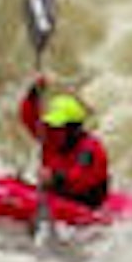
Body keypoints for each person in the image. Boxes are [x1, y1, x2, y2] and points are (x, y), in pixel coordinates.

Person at [20, 76, 110, 208]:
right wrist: (33, 95)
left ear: (72, 128)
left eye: (58, 127)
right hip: (57, 193)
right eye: (51, 125)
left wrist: (55, 178)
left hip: (84, 201)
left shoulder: (89, 149)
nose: (53, 130)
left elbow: (80, 178)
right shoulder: (52, 137)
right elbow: (30, 119)